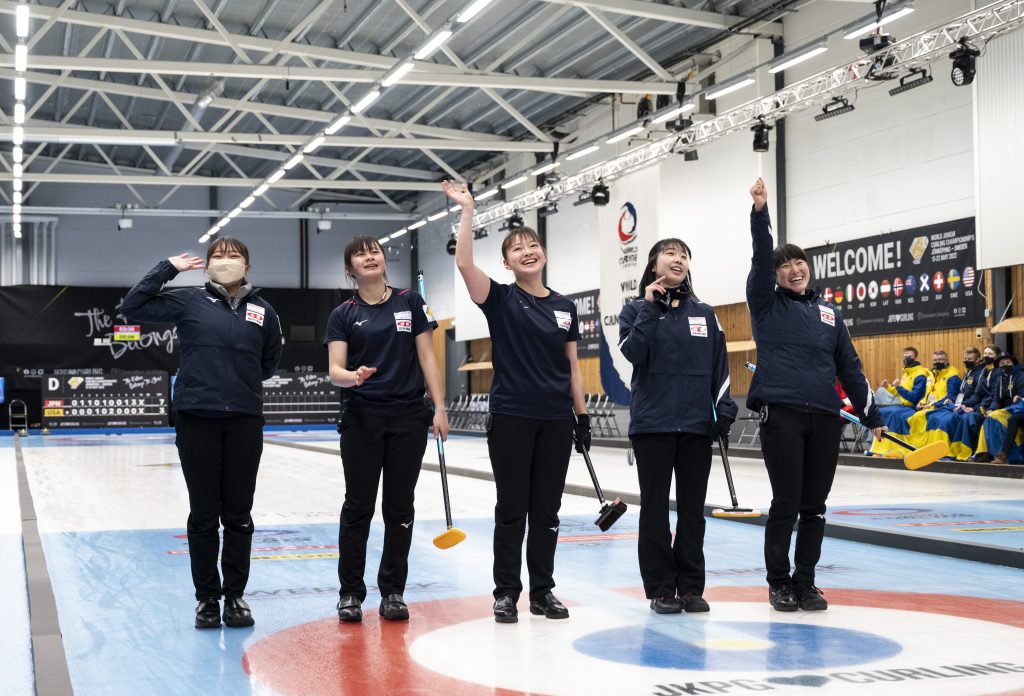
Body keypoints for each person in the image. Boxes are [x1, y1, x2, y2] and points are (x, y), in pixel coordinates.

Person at [443, 179, 588, 624]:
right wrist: (468, 210)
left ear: (543, 254)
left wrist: (580, 417)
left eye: (533, 245)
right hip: (512, 417)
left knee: (548, 511)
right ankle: (506, 593)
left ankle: (543, 592)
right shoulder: (501, 299)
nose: (527, 251)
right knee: (512, 509)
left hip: (556, 420)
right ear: (506, 262)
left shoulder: (565, 306)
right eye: (516, 248)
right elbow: (464, 261)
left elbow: (573, 365)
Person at [119, 238, 282, 629]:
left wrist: (238, 386)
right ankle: (207, 599)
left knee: (239, 514)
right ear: (206, 265)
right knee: (205, 514)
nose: (226, 261)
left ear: (248, 264)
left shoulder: (264, 310)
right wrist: (168, 267)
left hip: (244, 420)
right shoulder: (188, 300)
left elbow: (269, 361)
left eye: (234, 255)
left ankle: (236, 598)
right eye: (218, 255)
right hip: (197, 419)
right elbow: (132, 306)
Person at [746, 177, 884, 612]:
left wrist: (872, 415)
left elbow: (850, 367)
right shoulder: (766, 304)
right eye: (784, 265)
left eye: (799, 262)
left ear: (809, 268)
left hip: (825, 416)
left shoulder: (830, 314)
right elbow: (760, 258)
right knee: (786, 502)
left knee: (815, 505)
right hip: (782, 413)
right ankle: (778, 582)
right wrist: (761, 212)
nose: (793, 269)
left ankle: (806, 581)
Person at [326, 236, 448, 623]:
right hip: (361, 418)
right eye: (360, 253)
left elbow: (427, 355)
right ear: (351, 269)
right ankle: (350, 593)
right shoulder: (342, 314)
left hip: (408, 418)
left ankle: (393, 591)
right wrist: (354, 377)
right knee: (358, 507)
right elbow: (335, 372)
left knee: (399, 507)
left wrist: (440, 407)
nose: (370, 256)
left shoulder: (411, 302)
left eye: (374, 250)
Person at [618, 238, 736, 614]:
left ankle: (690, 587)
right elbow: (633, 353)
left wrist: (724, 409)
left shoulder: (705, 312)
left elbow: (720, 365)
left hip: (697, 425)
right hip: (653, 424)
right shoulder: (635, 310)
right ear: (654, 266)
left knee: (691, 510)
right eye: (670, 253)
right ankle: (661, 589)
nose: (678, 259)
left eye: (684, 255)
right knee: (654, 509)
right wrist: (651, 309)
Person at [869, 347, 934, 457]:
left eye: (909, 357)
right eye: (905, 357)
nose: (906, 359)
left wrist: (899, 388)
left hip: (914, 407)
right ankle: (879, 448)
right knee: (881, 412)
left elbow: (914, 397)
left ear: (915, 357)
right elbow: (902, 393)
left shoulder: (920, 374)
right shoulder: (906, 374)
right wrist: (889, 387)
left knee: (894, 414)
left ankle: (897, 448)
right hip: (903, 405)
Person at [975, 354, 1024, 463]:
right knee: (984, 417)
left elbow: (1022, 395)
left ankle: (1005, 454)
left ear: (1013, 363)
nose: (1005, 365)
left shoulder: (1020, 376)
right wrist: (991, 408)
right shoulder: (1000, 379)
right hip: (1006, 408)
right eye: (1002, 363)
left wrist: (1019, 397)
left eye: (1008, 362)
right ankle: (984, 453)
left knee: (1001, 418)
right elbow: (996, 398)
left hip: (1019, 408)